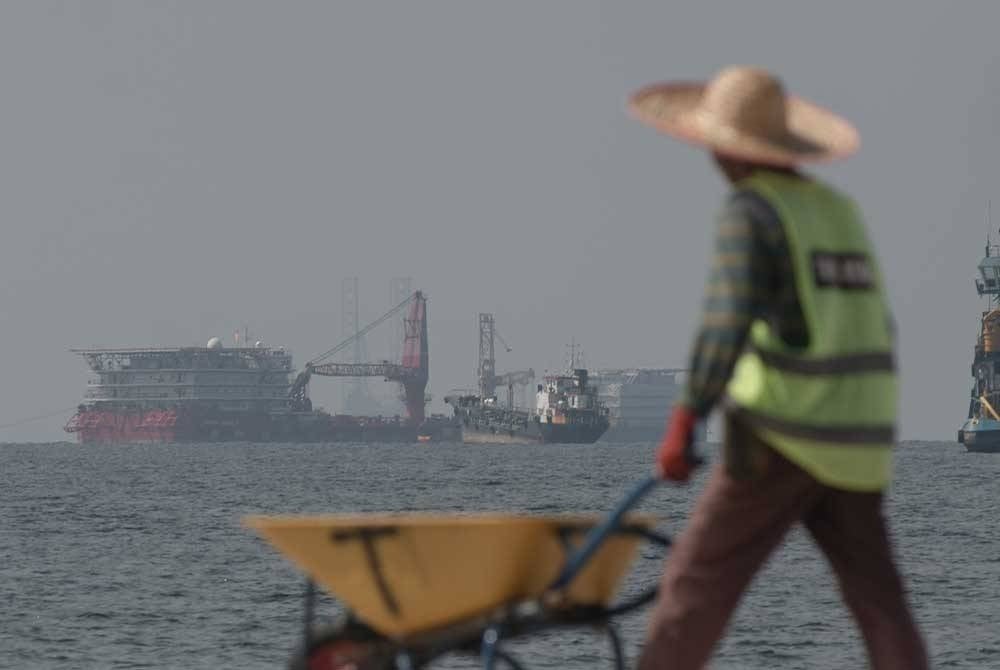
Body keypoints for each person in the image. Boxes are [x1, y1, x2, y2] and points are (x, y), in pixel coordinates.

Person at [627, 66, 929, 669]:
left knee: (694, 583)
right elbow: (874, 322)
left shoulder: (753, 211)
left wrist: (684, 421)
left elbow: (726, 321)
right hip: (859, 441)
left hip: (782, 435)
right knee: (880, 602)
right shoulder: (836, 211)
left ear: (722, 144)